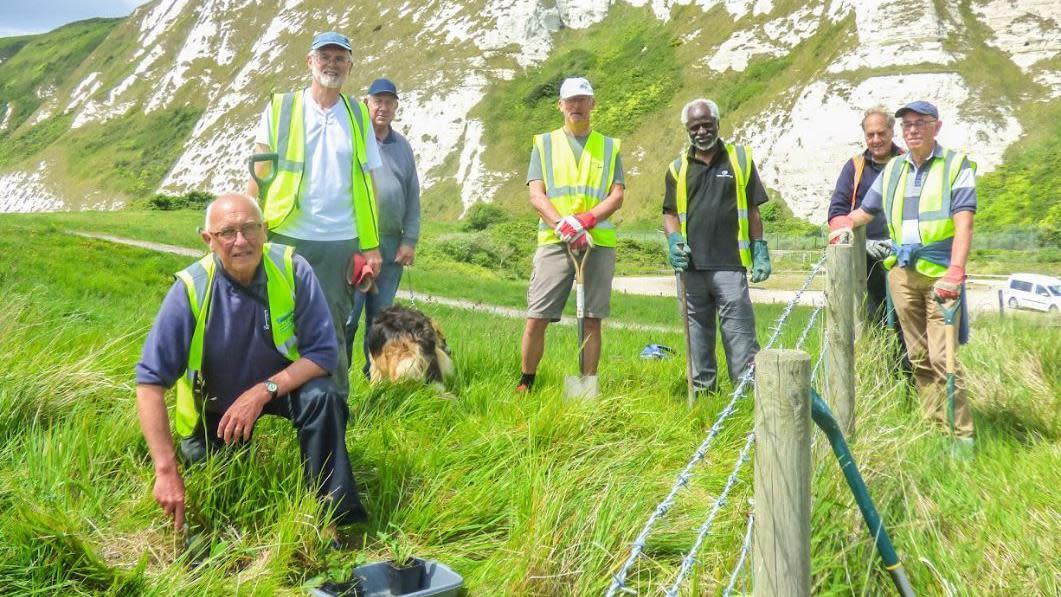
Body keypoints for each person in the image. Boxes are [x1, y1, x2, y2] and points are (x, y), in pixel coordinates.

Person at [135, 193, 367, 532]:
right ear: (208, 240)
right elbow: (149, 382)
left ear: (265, 230)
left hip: (280, 387)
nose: (241, 241)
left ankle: (331, 517)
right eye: (227, 232)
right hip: (217, 406)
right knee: (222, 497)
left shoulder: (292, 269)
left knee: (324, 397)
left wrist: (261, 392)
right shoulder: (190, 289)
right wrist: (166, 471)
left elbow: (323, 354)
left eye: (250, 229)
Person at [829, 101, 976, 450]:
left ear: (936, 127)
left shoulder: (956, 165)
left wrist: (955, 272)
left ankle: (962, 436)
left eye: (920, 123)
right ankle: (934, 426)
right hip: (903, 275)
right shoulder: (894, 169)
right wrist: (843, 224)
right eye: (907, 123)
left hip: (941, 275)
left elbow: (964, 222)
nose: (912, 129)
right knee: (918, 357)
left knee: (944, 359)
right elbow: (865, 210)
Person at [248, 31, 383, 396]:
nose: (332, 64)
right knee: (274, 323)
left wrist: (371, 247)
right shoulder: (281, 107)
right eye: (325, 56)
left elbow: (369, 184)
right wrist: (251, 227)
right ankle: (272, 402)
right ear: (310, 61)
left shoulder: (357, 114)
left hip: (339, 242)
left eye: (340, 58)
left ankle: (333, 409)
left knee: (333, 328)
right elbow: (257, 177)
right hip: (285, 235)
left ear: (350, 67)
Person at [516, 77, 624, 392]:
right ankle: (526, 381)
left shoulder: (608, 146)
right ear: (560, 105)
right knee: (536, 317)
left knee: (591, 319)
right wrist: (563, 224)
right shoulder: (544, 144)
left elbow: (616, 196)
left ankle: (587, 386)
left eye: (582, 99)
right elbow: (537, 195)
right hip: (554, 241)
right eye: (570, 100)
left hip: (597, 244)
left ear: (592, 104)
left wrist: (586, 220)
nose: (576, 106)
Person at [662, 99, 771, 392]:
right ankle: (703, 396)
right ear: (687, 129)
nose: (701, 131)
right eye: (694, 127)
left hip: (731, 265)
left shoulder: (740, 160)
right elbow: (670, 213)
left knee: (740, 335)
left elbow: (752, 210)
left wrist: (759, 247)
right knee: (697, 336)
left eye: (706, 125)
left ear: (718, 124)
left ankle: (746, 395)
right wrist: (673, 240)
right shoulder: (677, 169)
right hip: (692, 268)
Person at [344, 78, 421, 375]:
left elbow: (412, 196)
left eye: (389, 102)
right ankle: (338, 379)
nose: (383, 107)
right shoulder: (355, 139)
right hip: (355, 243)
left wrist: (410, 240)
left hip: (391, 246)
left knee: (380, 320)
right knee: (348, 317)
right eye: (378, 101)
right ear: (367, 103)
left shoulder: (403, 146)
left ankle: (373, 378)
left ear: (396, 107)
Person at [827, 106, 904, 323]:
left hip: (904, 257)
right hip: (865, 262)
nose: (876, 139)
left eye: (881, 133)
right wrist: (863, 242)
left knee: (906, 324)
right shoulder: (854, 167)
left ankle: (904, 359)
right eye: (870, 134)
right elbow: (836, 213)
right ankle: (874, 357)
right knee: (872, 318)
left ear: (892, 131)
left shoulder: (909, 163)